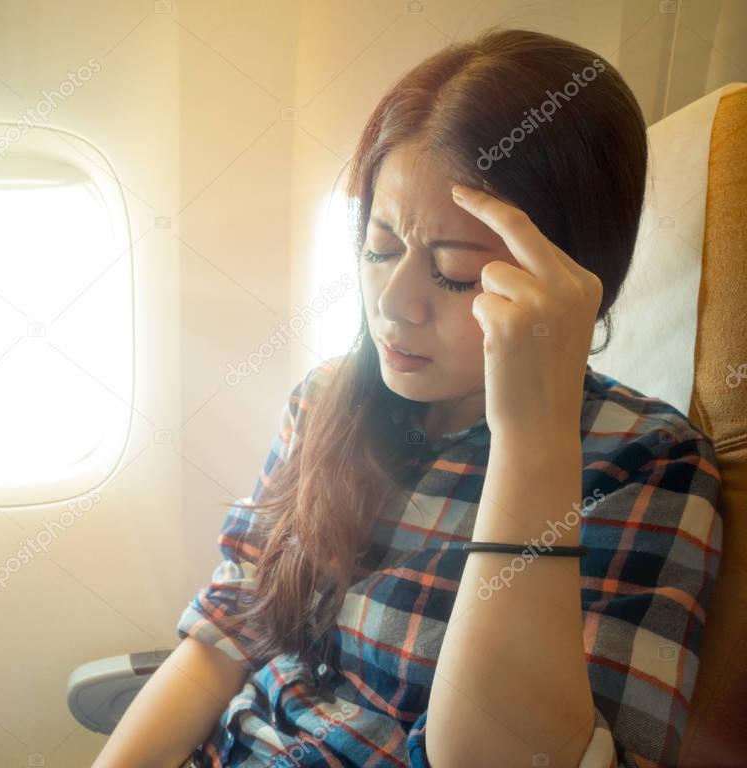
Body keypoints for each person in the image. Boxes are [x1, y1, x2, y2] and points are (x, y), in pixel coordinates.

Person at [92, 26, 723, 768]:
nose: (393, 304)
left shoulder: (644, 463)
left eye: (454, 271)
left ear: (574, 279)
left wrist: (533, 438)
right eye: (380, 248)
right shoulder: (328, 398)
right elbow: (227, 637)